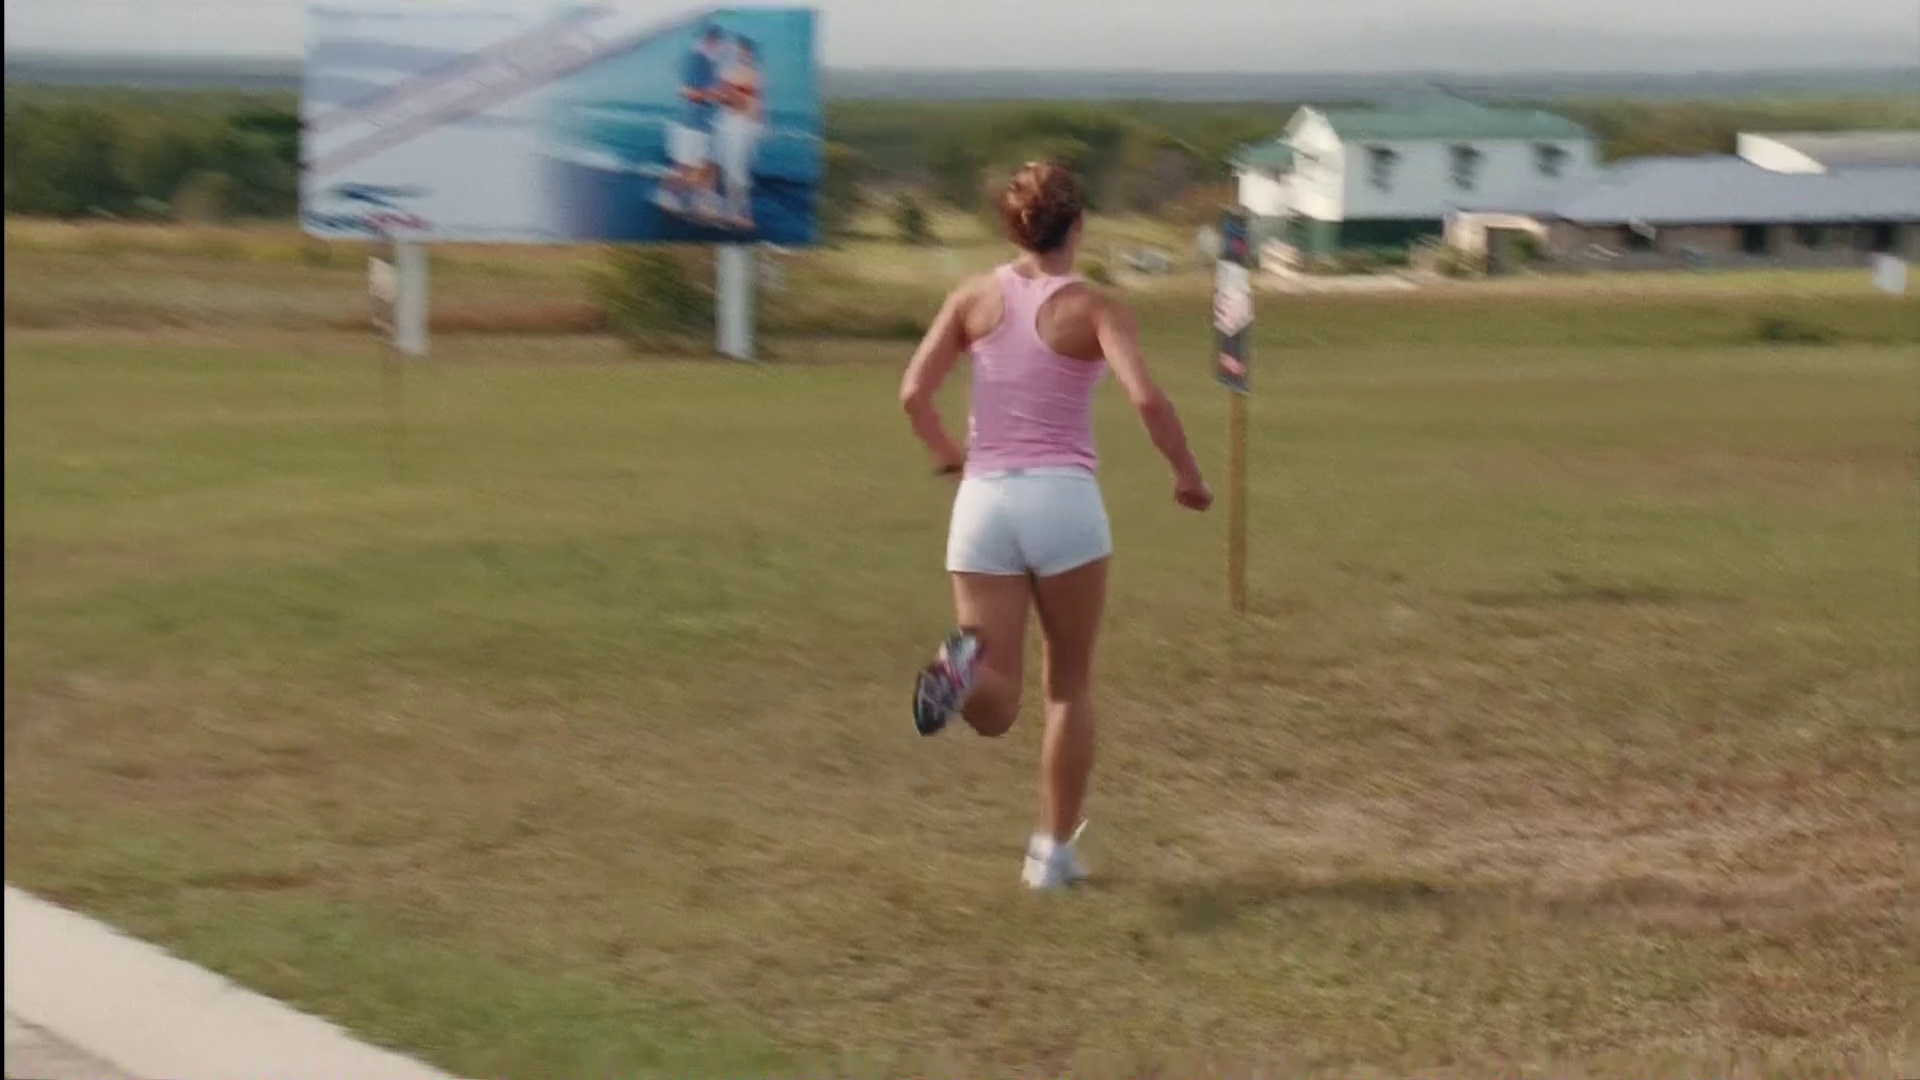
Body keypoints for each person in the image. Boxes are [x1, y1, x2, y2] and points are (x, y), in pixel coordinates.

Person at [898, 162, 1213, 891]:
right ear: (1079, 225)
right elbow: (1147, 400)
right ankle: (1051, 857)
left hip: (983, 503)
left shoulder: (972, 297)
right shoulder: (1098, 308)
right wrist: (1187, 474)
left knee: (997, 700)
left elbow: (914, 392)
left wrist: (949, 454)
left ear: (1013, 227)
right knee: (1067, 687)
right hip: (1064, 503)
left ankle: (960, 673)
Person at [660, 24, 724, 219]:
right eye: (717, 43)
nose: (720, 47)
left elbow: (707, 93)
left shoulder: (710, 64)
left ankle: (702, 203)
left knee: (708, 167)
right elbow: (687, 92)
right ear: (709, 41)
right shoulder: (695, 59)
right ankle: (668, 197)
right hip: (690, 125)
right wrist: (715, 95)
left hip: (703, 124)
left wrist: (718, 97)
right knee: (686, 169)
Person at [711, 35, 764, 231]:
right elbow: (721, 97)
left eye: (745, 52)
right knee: (734, 169)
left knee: (741, 169)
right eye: (739, 51)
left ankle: (741, 212)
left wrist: (759, 123)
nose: (742, 55)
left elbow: (759, 101)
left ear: (750, 54)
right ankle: (736, 213)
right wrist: (734, 99)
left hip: (747, 126)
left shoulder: (755, 74)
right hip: (732, 124)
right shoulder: (729, 73)